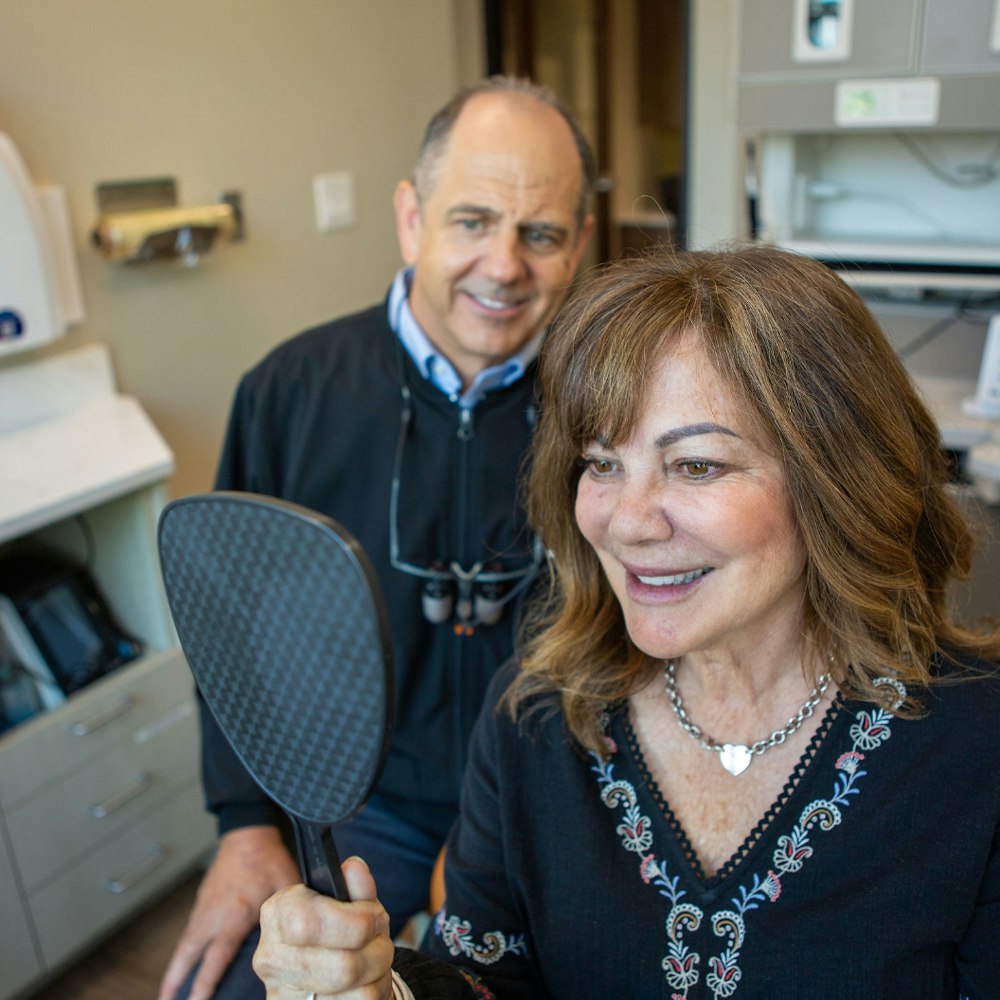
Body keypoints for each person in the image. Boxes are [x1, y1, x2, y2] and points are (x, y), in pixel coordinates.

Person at [253, 246, 1000, 999]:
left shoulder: (978, 742)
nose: (627, 522)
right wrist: (387, 995)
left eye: (697, 465)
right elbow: (479, 979)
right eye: (601, 462)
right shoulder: (537, 716)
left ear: (837, 478)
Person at [159, 76, 595, 1000]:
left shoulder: (610, 405)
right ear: (411, 218)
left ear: (579, 245)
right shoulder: (289, 391)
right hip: (364, 807)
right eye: (471, 221)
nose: (505, 265)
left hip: (556, 793)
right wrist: (246, 828)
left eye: (541, 233)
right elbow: (228, 628)